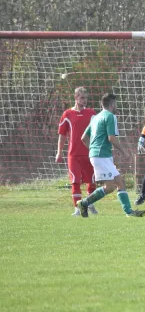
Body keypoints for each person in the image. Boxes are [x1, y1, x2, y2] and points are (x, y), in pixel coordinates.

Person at [76, 93, 145, 218]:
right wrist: (124, 152)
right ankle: (84, 203)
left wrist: (92, 150)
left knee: (120, 182)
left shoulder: (95, 117)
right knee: (110, 187)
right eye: (116, 104)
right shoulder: (110, 116)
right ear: (112, 104)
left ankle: (129, 212)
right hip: (101, 156)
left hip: (99, 155)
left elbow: (83, 138)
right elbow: (112, 138)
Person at [56, 87, 99, 216]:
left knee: (92, 180)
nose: (84, 100)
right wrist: (59, 152)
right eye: (82, 98)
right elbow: (62, 135)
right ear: (75, 97)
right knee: (75, 181)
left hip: (89, 153)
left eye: (86, 98)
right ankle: (77, 208)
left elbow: (97, 132)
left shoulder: (92, 113)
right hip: (73, 154)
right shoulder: (67, 114)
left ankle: (89, 203)